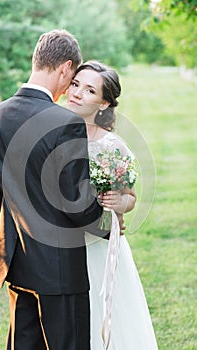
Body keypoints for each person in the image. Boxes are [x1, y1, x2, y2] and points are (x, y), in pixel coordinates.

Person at [0, 30, 108, 350]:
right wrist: (109, 224)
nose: (70, 89)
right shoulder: (66, 122)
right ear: (65, 68)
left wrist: (25, 209)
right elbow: (78, 205)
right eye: (72, 78)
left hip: (17, 264)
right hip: (60, 270)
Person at [67, 61, 158, 349]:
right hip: (63, 243)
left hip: (100, 247)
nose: (78, 93)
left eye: (90, 89)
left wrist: (121, 202)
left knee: (104, 314)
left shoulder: (111, 145)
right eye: (75, 84)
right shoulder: (52, 131)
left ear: (104, 103)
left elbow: (130, 197)